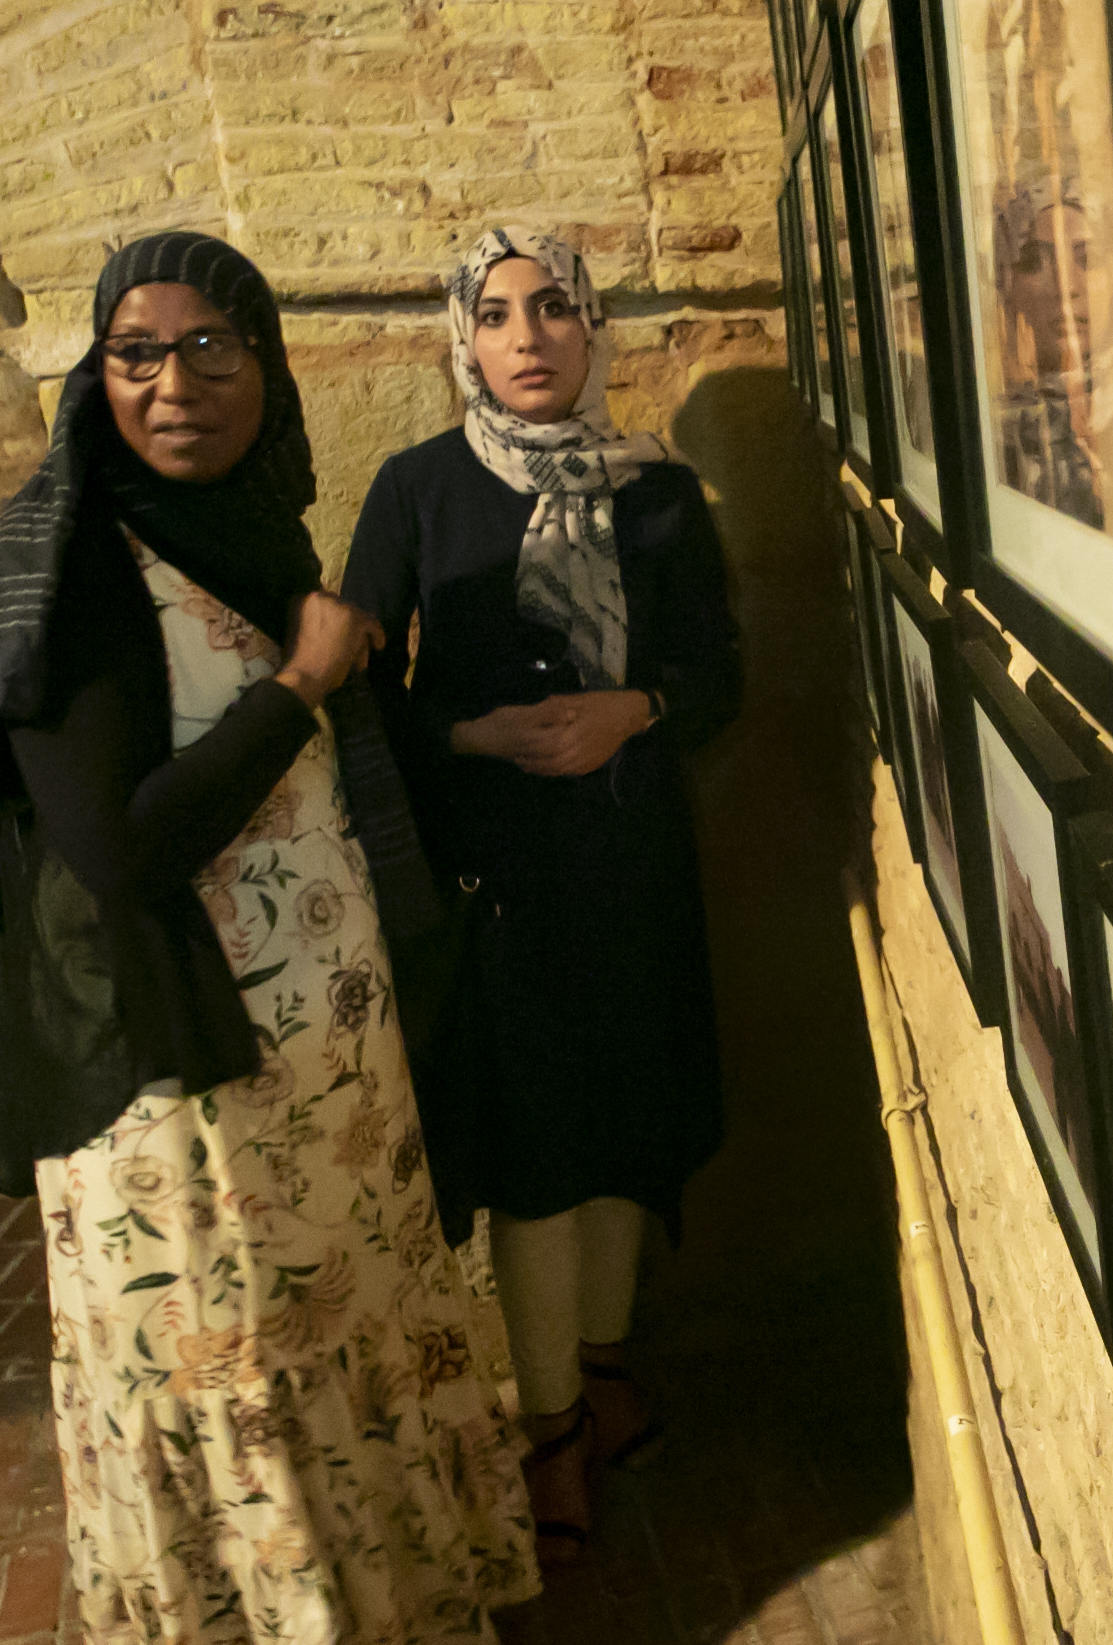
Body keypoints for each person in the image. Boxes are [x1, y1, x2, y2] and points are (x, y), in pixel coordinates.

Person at [0, 232, 538, 1643]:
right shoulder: (70, 564)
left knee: (347, 1339)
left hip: (321, 1071)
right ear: (98, 375)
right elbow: (121, 846)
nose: (174, 381)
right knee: (243, 1372)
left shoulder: (253, 539)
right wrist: (308, 682)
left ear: (266, 366)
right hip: (182, 1089)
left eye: (213, 344)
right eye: (136, 351)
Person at [341, 226, 742, 1562]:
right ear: (463, 338)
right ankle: (553, 1419)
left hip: (632, 866)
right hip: (495, 880)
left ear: (594, 331)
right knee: (537, 1157)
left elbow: (720, 677)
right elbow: (354, 688)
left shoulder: (663, 495)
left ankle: (611, 1358)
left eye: (556, 308)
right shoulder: (416, 491)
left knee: (632, 1120)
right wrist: (469, 737)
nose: (529, 337)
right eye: (500, 314)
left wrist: (642, 705)